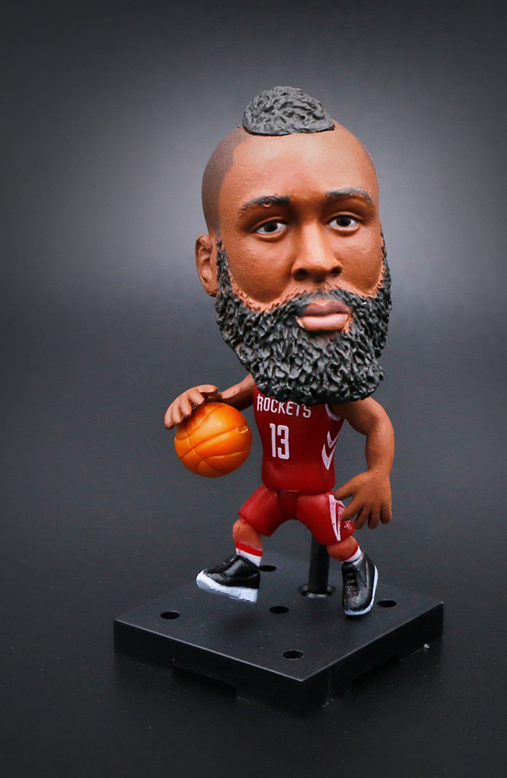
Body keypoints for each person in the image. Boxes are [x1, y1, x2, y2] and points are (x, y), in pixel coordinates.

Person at [164, 87, 394, 616]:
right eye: (270, 226)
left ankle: (360, 570)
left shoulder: (335, 393)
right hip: (276, 488)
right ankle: (244, 576)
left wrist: (379, 476)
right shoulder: (267, 377)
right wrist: (198, 404)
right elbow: (231, 399)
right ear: (210, 264)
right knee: (246, 526)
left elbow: (376, 423)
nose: (318, 260)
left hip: (314, 494)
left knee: (339, 543)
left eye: (345, 220)